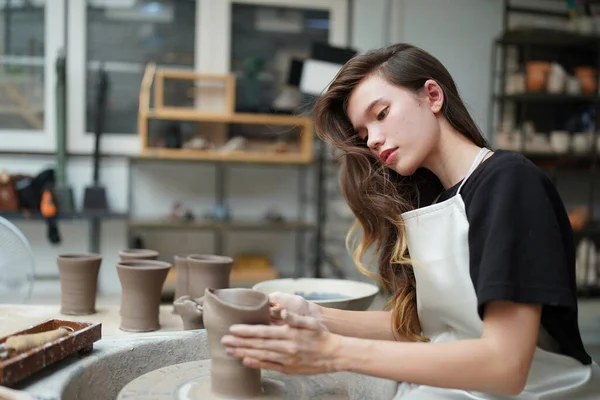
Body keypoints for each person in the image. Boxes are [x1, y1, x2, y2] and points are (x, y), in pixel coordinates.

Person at [221, 43, 600, 398]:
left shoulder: (507, 181)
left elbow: (506, 365)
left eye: (381, 114)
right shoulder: (432, 201)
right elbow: (427, 327)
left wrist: (331, 351)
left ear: (432, 96)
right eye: (364, 133)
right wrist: (313, 315)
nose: (371, 140)